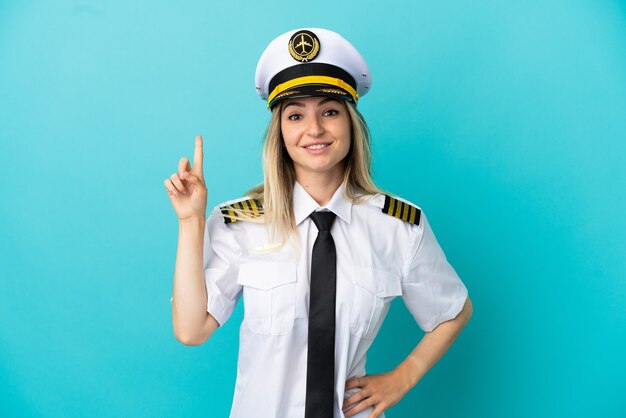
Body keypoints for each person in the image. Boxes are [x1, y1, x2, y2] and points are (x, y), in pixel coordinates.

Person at [164, 28, 473, 418]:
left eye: (329, 111)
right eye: (296, 115)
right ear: (280, 131)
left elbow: (453, 310)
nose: (314, 130)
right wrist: (191, 222)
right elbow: (192, 330)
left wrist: (403, 376)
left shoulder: (399, 226)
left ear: (350, 123)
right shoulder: (238, 222)